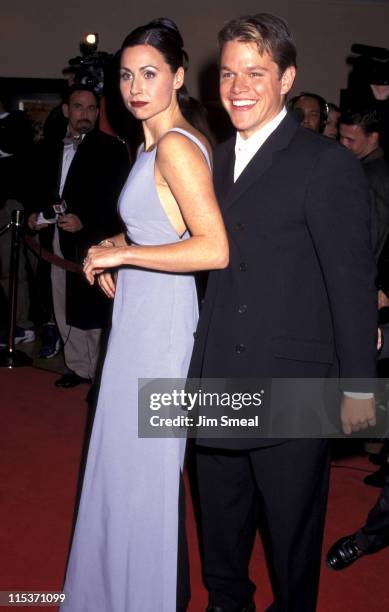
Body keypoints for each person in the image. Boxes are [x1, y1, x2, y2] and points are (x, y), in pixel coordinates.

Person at [188, 13, 377, 612]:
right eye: (229, 73)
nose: (239, 86)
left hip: (293, 383)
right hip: (217, 373)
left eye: (256, 73)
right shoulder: (208, 161)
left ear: (287, 78)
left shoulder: (326, 163)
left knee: (291, 543)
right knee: (220, 533)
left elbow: (351, 287)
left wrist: (358, 393)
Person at [61, 18, 228, 612]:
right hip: (140, 312)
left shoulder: (180, 146)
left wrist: (126, 253)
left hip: (161, 327)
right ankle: (117, 590)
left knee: (146, 471)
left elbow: (214, 247)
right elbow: (158, 226)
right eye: (126, 75)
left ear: (178, 77)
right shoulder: (150, 143)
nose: (134, 86)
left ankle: (146, 596)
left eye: (149, 74)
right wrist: (115, 247)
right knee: (125, 465)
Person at [26, 85, 129, 387]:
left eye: (92, 109)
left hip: (95, 240)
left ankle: (99, 374)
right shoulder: (48, 147)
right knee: (61, 302)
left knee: (93, 307)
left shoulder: (112, 149)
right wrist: (36, 214)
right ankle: (76, 366)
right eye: (79, 107)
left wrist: (85, 222)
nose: (86, 114)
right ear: (66, 110)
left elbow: (118, 201)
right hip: (55, 238)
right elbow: (39, 188)